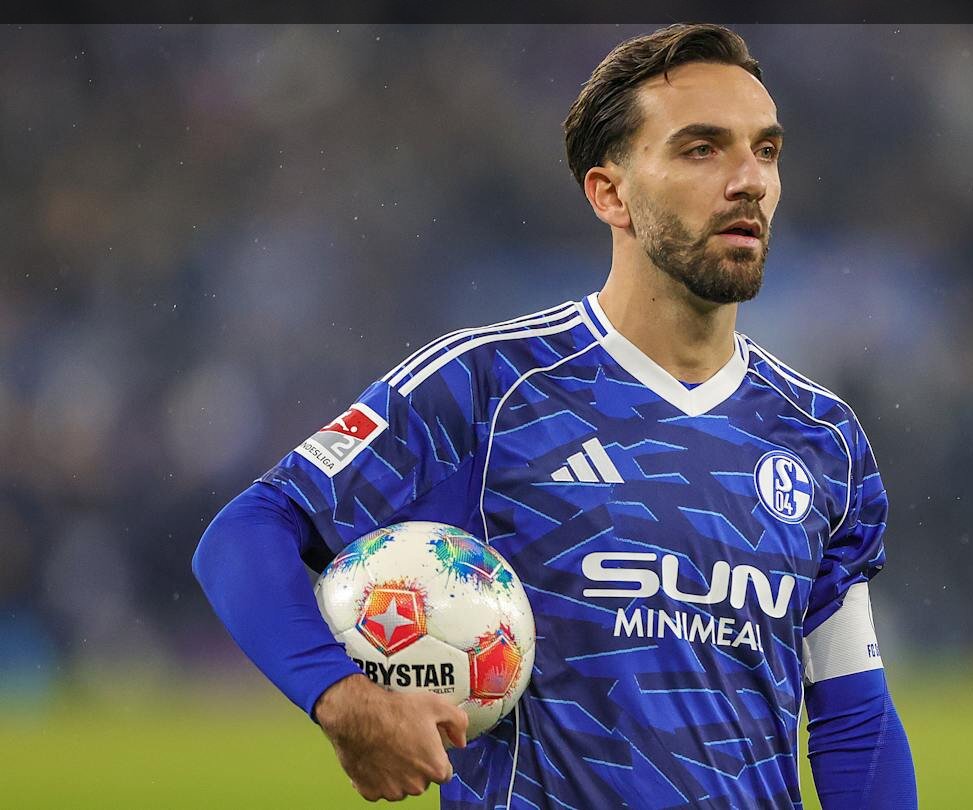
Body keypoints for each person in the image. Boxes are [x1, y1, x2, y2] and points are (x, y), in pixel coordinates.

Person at [193, 23, 917, 809]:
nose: (749, 180)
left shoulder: (820, 437)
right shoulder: (488, 386)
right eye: (702, 149)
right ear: (610, 193)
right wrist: (344, 699)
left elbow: (854, 719)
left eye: (765, 151)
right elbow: (248, 533)